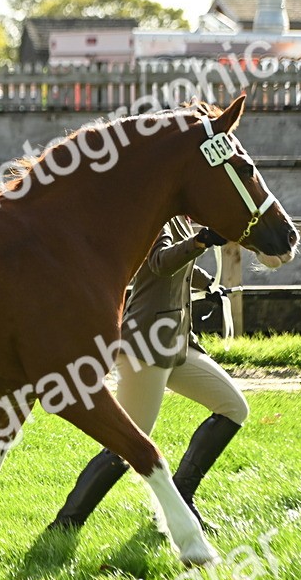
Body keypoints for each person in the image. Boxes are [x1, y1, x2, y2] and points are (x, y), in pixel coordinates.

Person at [48, 216, 248, 534]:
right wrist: (202, 242)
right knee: (127, 443)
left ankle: (180, 503)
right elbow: (159, 263)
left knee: (234, 407)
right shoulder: (154, 220)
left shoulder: (182, 222)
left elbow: (182, 269)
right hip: (145, 347)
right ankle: (66, 523)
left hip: (179, 343)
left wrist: (209, 284)